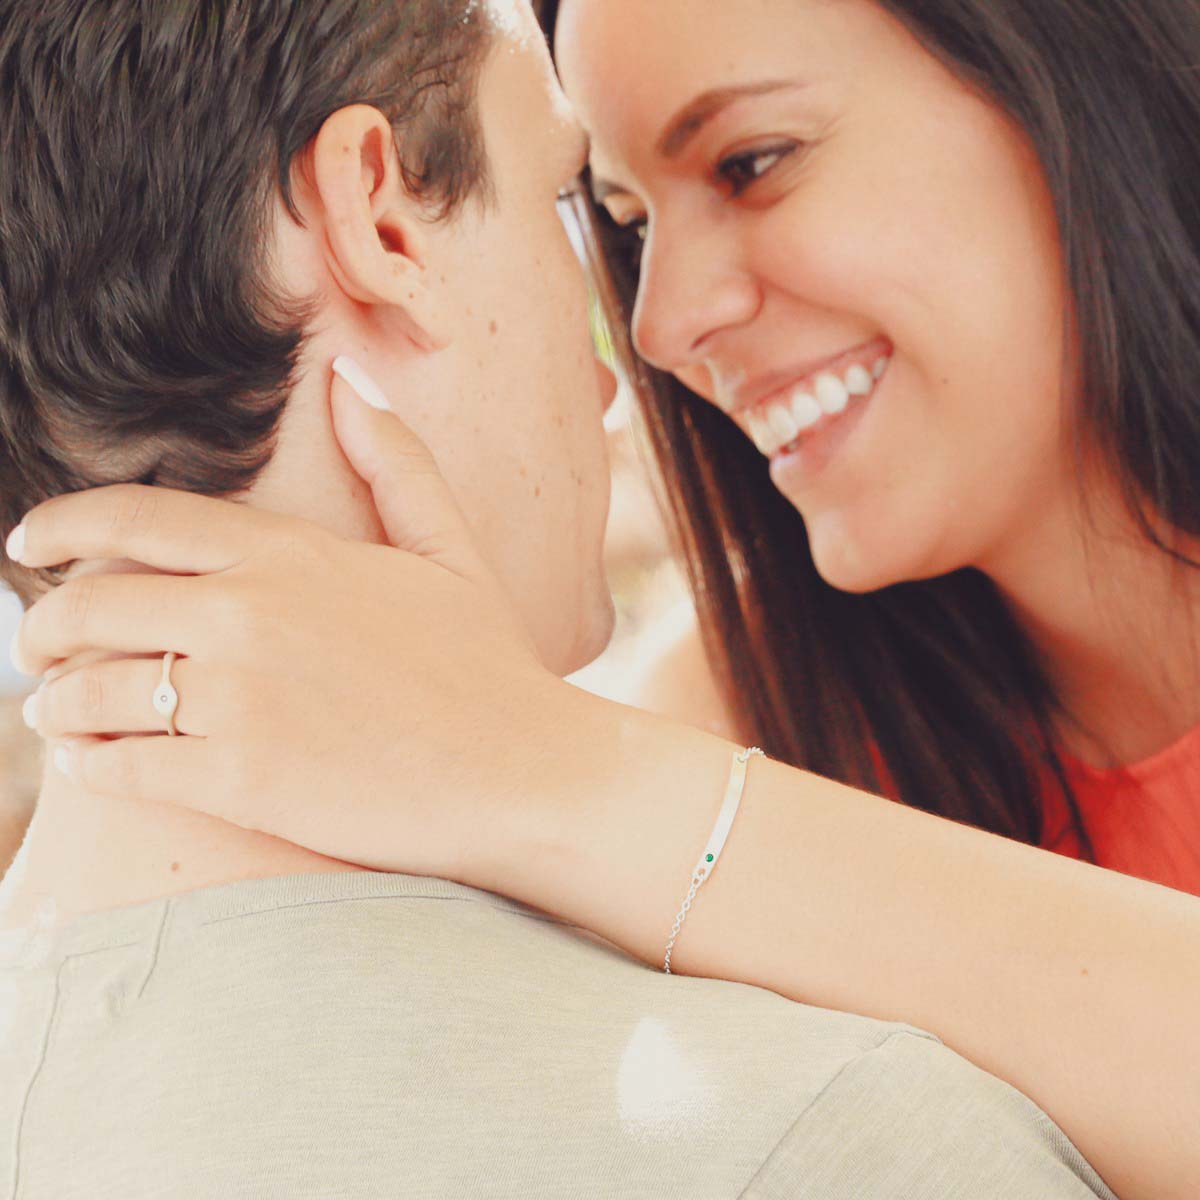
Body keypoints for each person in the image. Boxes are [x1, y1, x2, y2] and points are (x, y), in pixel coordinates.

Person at [8, 0, 1200, 1197]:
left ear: (1057, 79)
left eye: (753, 162)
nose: (659, 328)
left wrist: (553, 767)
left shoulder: (619, 792)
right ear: (373, 215)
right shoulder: (736, 731)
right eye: (615, 222)